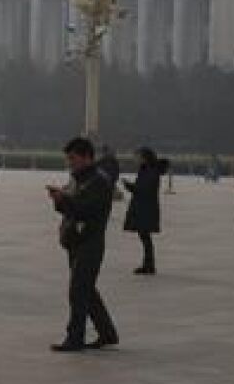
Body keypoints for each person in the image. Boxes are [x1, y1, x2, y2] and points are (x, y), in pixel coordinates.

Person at [49, 137, 118, 351]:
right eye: (68, 159)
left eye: (73, 158)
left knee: (79, 291)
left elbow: (85, 209)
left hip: (90, 241)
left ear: (88, 157)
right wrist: (60, 200)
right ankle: (107, 333)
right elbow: (72, 207)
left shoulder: (99, 181)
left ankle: (75, 337)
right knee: (86, 290)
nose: (70, 163)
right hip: (76, 240)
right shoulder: (80, 178)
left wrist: (64, 199)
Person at [122, 146, 168, 274]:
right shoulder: (146, 169)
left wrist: (130, 186)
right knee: (144, 237)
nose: (135, 159)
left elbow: (145, 189)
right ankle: (148, 264)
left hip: (146, 208)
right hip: (144, 207)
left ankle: (149, 265)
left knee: (145, 237)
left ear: (144, 158)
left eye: (137, 156)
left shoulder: (151, 171)